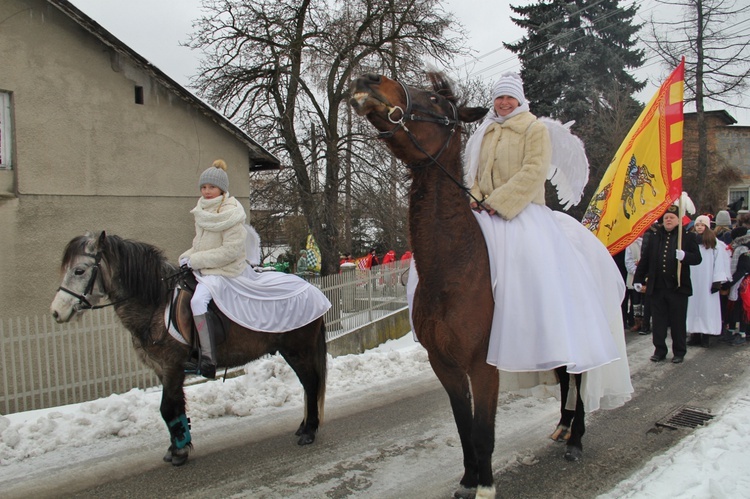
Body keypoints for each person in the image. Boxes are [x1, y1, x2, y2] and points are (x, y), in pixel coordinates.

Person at [462, 72, 626, 378]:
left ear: (520, 100)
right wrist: (476, 197)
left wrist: (498, 201)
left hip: (522, 211)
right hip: (485, 212)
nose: (505, 103)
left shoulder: (533, 128)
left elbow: (534, 171)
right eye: (499, 97)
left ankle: (543, 330)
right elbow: (475, 174)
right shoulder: (485, 132)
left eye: (510, 97)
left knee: (532, 268)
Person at [179, 159, 248, 379]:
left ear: (222, 189)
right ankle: (190, 348)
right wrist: (187, 256)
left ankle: (208, 359)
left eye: (212, 187)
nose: (207, 192)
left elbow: (230, 251)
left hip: (225, 269)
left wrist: (196, 260)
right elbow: (200, 245)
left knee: (198, 300)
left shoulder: (231, 214)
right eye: (204, 187)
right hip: (206, 266)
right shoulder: (202, 211)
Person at [633, 205, 702, 363]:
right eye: (666, 218)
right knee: (658, 322)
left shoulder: (687, 237)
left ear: (678, 220)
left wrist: (685, 256)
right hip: (658, 287)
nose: (669, 220)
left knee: (678, 322)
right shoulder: (655, 236)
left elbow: (697, 259)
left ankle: (679, 351)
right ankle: (660, 350)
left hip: (678, 287)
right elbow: (645, 259)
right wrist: (638, 279)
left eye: (671, 217)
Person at [686, 215, 732, 347]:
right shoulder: (692, 241)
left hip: (707, 279)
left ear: (707, 226)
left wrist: (717, 280)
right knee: (693, 306)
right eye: (697, 225)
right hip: (693, 278)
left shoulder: (714, 243)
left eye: (702, 225)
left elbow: (720, 262)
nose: (699, 227)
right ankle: (694, 334)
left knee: (707, 306)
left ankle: (706, 335)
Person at [625, 236, 644, 332]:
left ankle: (645, 322)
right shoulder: (631, 243)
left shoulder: (649, 241)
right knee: (635, 300)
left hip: (646, 277)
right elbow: (628, 262)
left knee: (645, 301)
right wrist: (638, 271)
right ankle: (637, 321)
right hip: (634, 276)